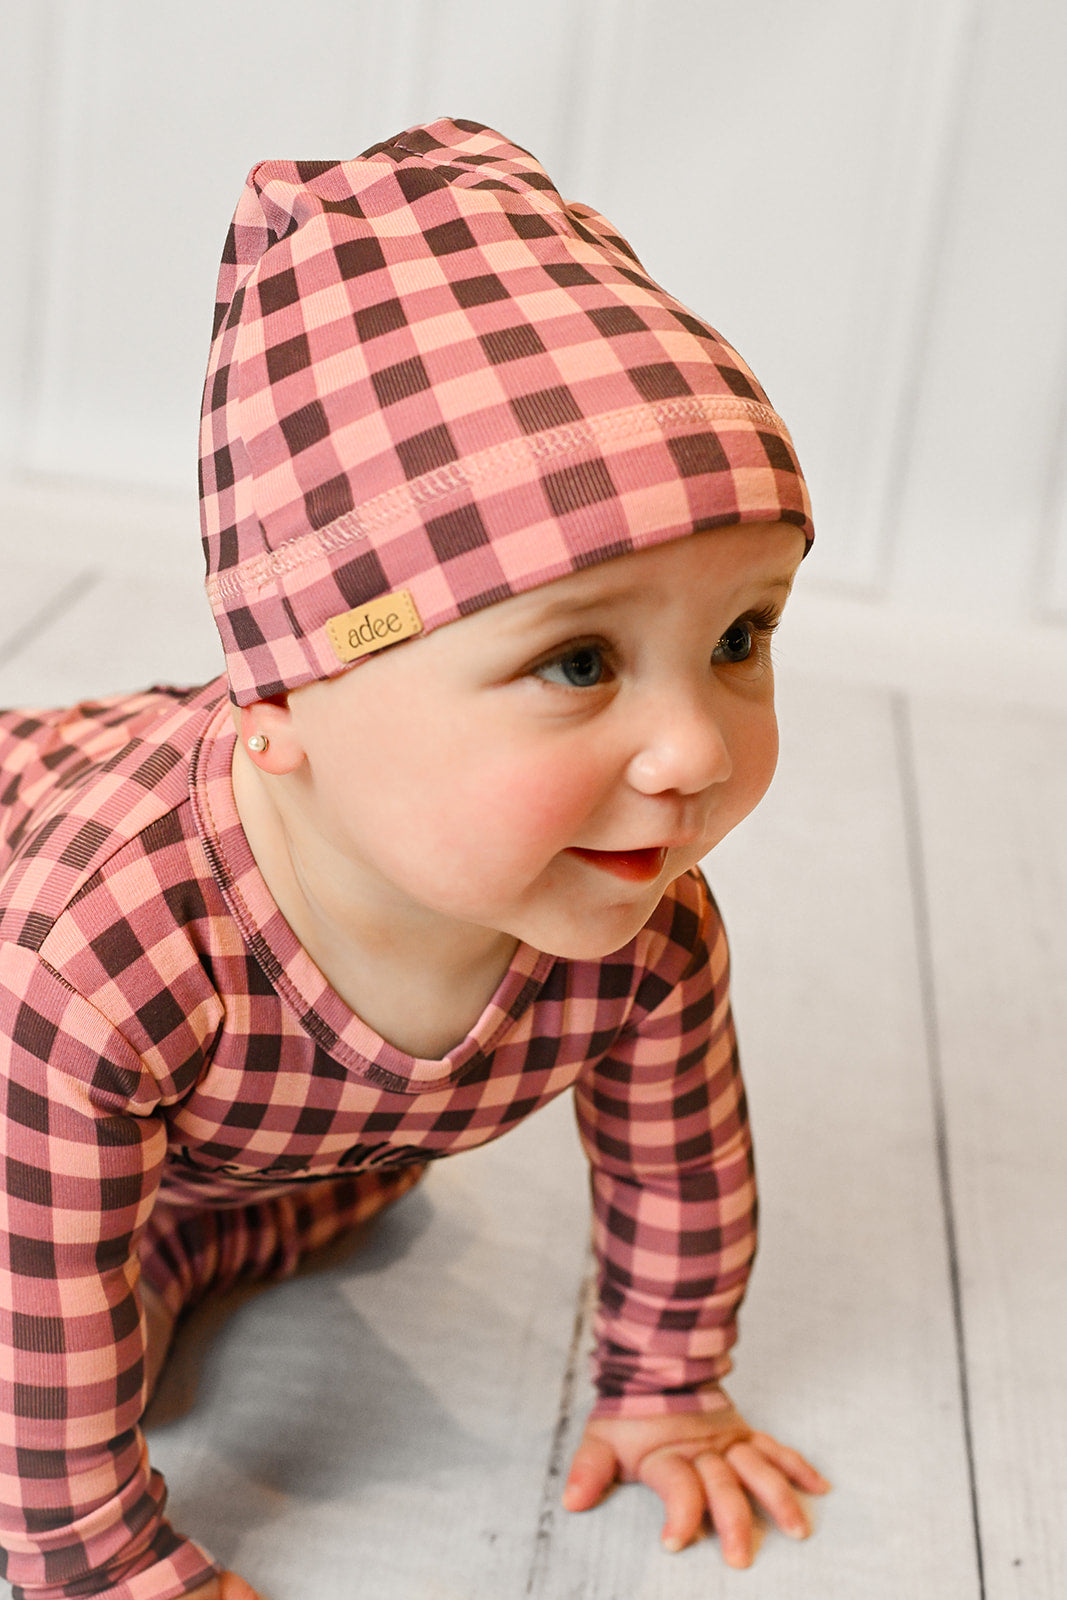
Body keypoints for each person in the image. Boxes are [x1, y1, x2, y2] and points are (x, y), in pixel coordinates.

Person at [0, 119, 829, 1600]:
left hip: (256, 1146)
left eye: (740, 638)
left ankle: (182, 1241)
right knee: (48, 1305)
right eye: (579, 658)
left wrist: (665, 1385)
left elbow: (680, 1166)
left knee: (361, 1184)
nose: (696, 749)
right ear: (287, 696)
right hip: (21, 1058)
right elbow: (38, 1306)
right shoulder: (107, 961)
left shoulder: (634, 922)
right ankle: (153, 1239)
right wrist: (91, 1556)